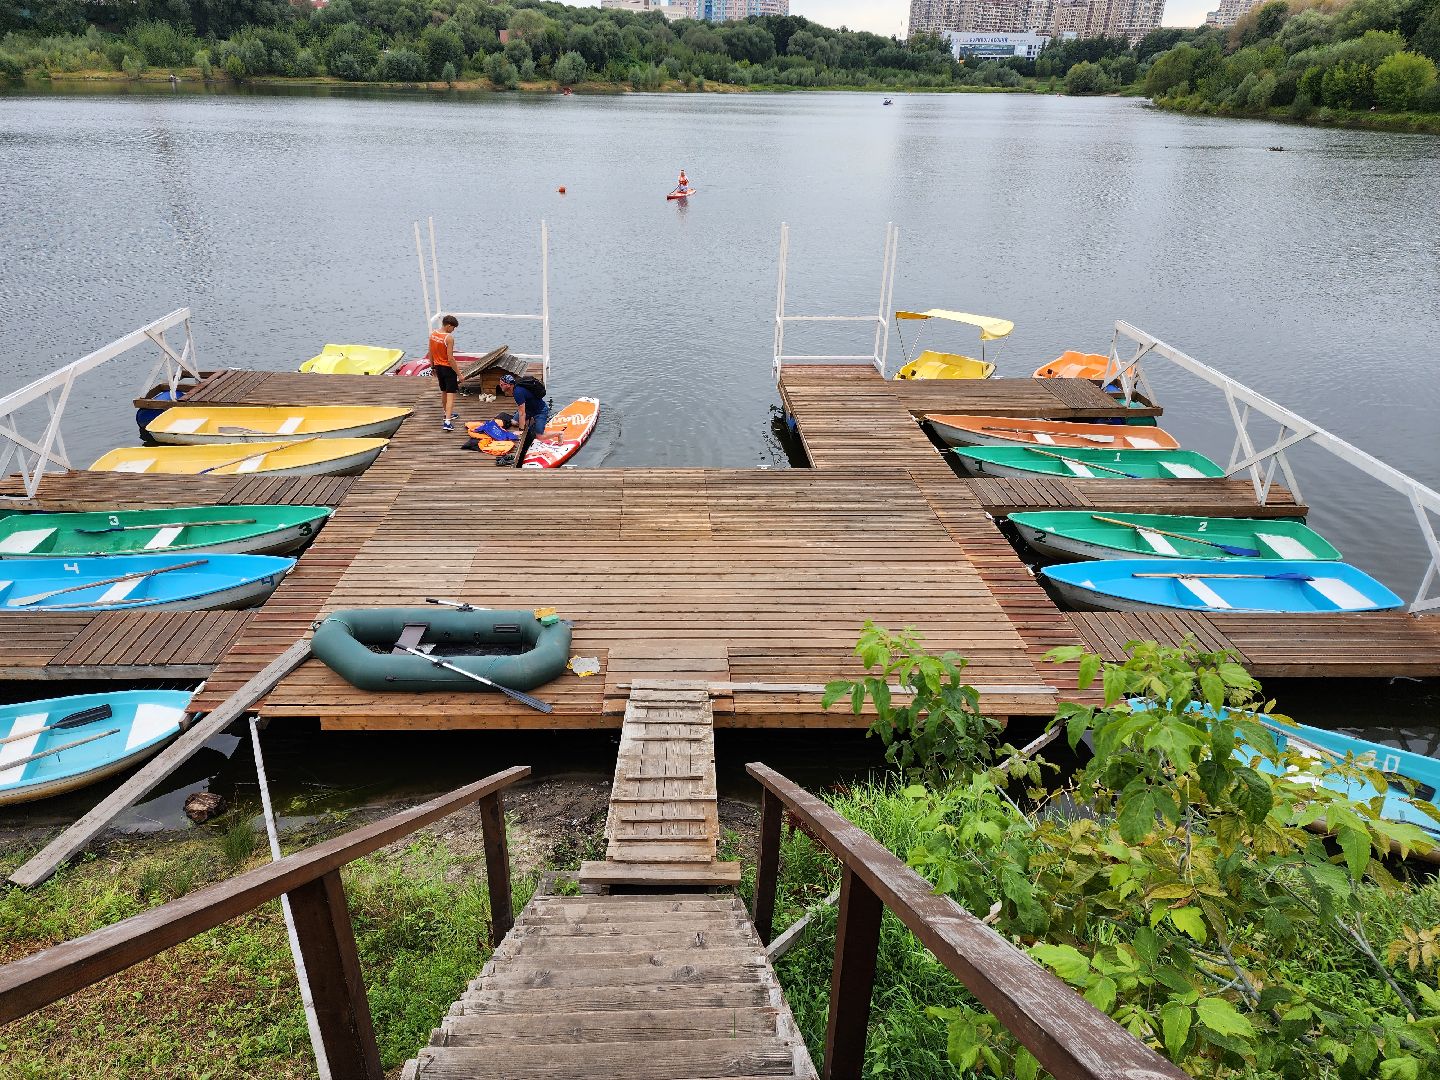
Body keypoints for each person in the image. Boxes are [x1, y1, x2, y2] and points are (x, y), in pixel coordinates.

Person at [496, 372, 549, 461]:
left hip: (540, 411)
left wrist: (521, 431)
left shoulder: (518, 392)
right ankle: (529, 420)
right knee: (514, 422)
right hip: (528, 409)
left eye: (501, 385)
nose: (500, 386)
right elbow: (522, 410)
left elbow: (522, 413)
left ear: (508, 385)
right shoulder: (515, 388)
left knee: (539, 435)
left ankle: (559, 434)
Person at [428, 315, 460, 431]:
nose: (453, 330)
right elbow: (450, 359)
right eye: (453, 328)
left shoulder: (433, 335)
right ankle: (447, 422)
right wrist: (459, 374)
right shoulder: (449, 338)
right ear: (448, 325)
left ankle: (447, 413)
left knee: (444, 391)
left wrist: (432, 367)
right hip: (447, 368)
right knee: (451, 394)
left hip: (438, 367)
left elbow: (430, 352)